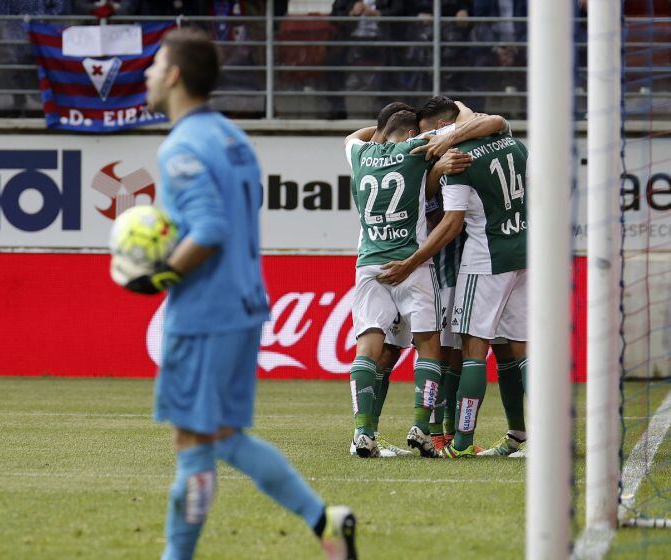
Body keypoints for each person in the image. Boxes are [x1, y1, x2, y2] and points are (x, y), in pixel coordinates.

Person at [141, 28, 357, 559]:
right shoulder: (233, 139)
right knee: (225, 437)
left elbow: (210, 229)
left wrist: (158, 274)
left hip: (205, 312)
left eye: (154, 64)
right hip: (243, 305)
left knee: (192, 446)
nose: (146, 74)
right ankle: (324, 521)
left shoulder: (181, 147)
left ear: (173, 77)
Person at [378, 126, 528, 460]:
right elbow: (493, 118)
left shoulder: (461, 160)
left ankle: (458, 442)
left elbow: (451, 222)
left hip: (477, 260)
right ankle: (540, 436)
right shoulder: (514, 145)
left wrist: (411, 261)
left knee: (471, 350)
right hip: (522, 253)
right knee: (520, 350)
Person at [344, 109, 443, 459]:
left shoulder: (358, 152)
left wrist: (381, 131)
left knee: (368, 346)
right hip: (409, 264)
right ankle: (420, 426)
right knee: (428, 343)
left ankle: (361, 434)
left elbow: (353, 136)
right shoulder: (415, 149)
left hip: (369, 265)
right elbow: (443, 137)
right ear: (412, 131)